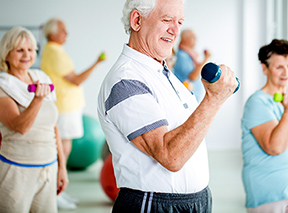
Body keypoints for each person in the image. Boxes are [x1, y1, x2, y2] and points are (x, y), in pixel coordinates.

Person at [97, 0, 238, 212]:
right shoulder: (125, 80)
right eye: (167, 20)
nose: (175, 31)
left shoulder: (162, 73)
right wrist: (214, 99)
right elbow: (170, 156)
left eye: (179, 22)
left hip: (197, 201)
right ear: (136, 20)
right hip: (154, 205)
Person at [40, 18, 106, 210]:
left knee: (64, 150)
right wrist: (97, 62)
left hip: (67, 107)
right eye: (62, 30)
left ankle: (59, 189)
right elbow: (76, 80)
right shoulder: (53, 52)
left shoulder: (55, 51)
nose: (66, 33)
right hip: (63, 108)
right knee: (61, 150)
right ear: (52, 33)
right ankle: (53, 192)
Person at [0, 26, 68, 213]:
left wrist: (61, 166)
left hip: (48, 168)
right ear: (7, 54)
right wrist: (37, 99)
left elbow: (53, 128)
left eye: (30, 50)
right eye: (19, 50)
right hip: (16, 171)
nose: (26, 55)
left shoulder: (41, 77)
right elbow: (20, 127)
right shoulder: (3, 85)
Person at [241, 39, 288, 213]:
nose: (286, 72)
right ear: (265, 69)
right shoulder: (257, 102)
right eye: (279, 67)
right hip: (270, 194)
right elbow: (275, 147)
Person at [173, 29, 211, 103]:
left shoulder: (188, 55)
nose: (196, 39)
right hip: (187, 99)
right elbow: (193, 76)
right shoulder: (182, 55)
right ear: (185, 39)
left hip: (193, 99)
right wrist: (206, 58)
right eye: (193, 37)